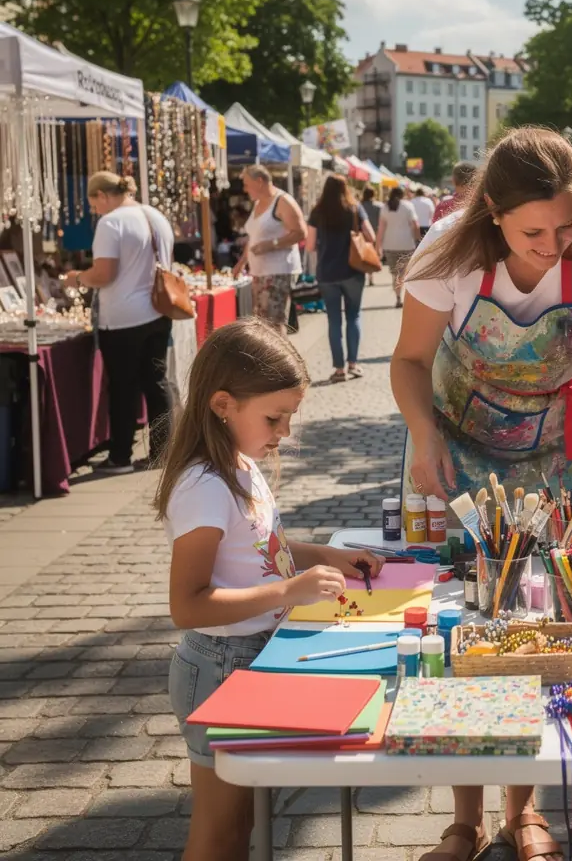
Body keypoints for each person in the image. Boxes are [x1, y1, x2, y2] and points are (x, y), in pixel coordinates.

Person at [393, 127, 572, 861]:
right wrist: (423, 436)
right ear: (490, 212)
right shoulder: (445, 249)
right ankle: (463, 816)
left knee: (535, 625)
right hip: (455, 445)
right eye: (533, 232)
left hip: (552, 453)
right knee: (461, 626)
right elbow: (411, 360)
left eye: (568, 225)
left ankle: (525, 808)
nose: (554, 246)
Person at [159, 318, 382, 861]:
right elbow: (187, 606)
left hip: (253, 659)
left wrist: (326, 555)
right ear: (222, 405)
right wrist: (290, 592)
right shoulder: (202, 488)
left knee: (247, 825)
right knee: (220, 834)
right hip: (219, 665)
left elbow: (265, 550)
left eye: (289, 417)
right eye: (274, 417)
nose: (283, 433)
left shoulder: (241, 464)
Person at [62, 171, 174, 475]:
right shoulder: (154, 215)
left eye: (94, 204)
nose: (95, 211)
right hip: (157, 310)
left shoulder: (111, 223)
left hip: (124, 318)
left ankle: (121, 456)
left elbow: (104, 274)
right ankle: (164, 452)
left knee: (123, 388)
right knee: (156, 383)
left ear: (102, 195)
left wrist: (78, 278)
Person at [307, 174, 375, 382]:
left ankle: (338, 369)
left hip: (327, 273)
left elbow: (309, 246)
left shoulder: (317, 212)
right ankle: (353, 364)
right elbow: (370, 236)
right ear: (346, 188)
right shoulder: (355, 209)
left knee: (333, 320)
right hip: (353, 271)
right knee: (353, 316)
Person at [233, 165, 306, 334]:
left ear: (259, 181)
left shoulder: (283, 201)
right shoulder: (258, 203)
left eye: (246, 183)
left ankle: (279, 359)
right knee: (263, 323)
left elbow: (301, 232)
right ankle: (269, 358)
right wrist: (242, 262)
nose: (244, 189)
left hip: (278, 271)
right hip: (260, 272)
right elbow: (254, 237)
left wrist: (271, 244)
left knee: (274, 323)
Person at [376, 186, 420, 308]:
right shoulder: (408, 206)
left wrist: (377, 246)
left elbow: (381, 229)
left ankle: (398, 296)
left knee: (395, 273)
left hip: (389, 245)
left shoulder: (385, 207)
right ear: (402, 195)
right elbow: (415, 225)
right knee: (403, 273)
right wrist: (418, 240)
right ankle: (402, 296)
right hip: (406, 244)